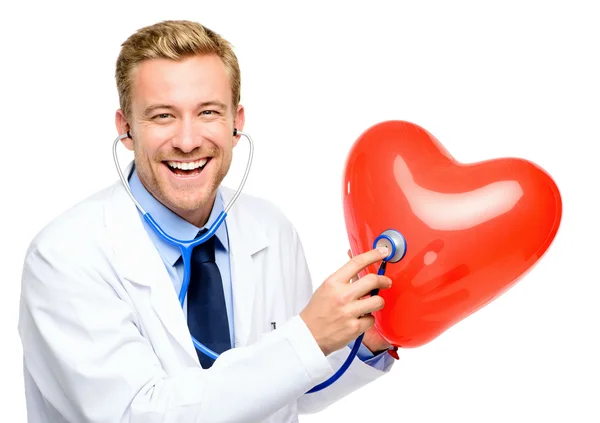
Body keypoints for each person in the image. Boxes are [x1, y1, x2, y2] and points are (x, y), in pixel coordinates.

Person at [18, 20, 396, 423]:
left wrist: (364, 341)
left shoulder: (270, 229)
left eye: (208, 112)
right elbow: (137, 415)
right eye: (163, 116)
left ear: (237, 123)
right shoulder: (63, 257)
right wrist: (308, 337)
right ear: (126, 129)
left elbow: (291, 388)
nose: (187, 140)